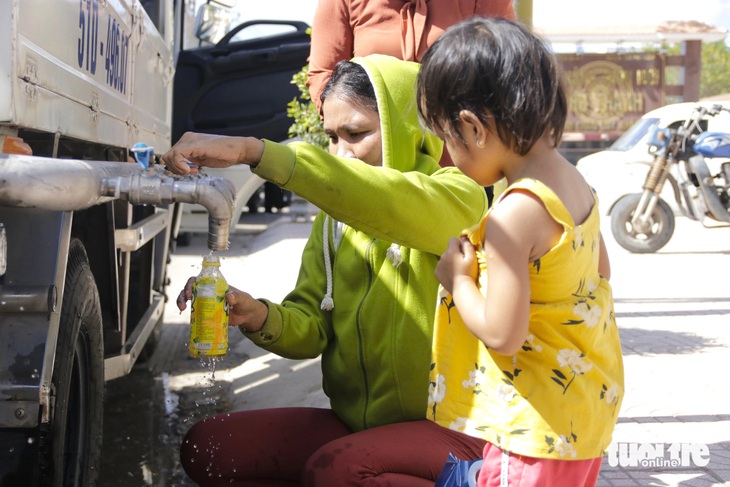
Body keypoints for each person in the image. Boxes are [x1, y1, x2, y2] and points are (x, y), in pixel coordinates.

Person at [163, 54, 488, 485]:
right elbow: (312, 328)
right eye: (332, 138)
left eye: (356, 134)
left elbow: (383, 199)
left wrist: (252, 151)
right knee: (210, 447)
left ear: (406, 130)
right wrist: (256, 314)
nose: (342, 153)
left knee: (339, 470)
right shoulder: (333, 224)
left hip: (454, 433)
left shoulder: (459, 198)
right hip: (360, 429)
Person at [416, 18, 625, 486]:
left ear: (472, 128)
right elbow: (600, 277)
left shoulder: (514, 214)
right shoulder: (576, 184)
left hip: (532, 428)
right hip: (582, 417)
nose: (449, 156)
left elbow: (501, 334)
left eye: (447, 139)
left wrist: (458, 280)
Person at [306, 0, 516, 113]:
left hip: (458, 162)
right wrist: (359, 126)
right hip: (373, 162)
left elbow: (504, 68)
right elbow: (323, 75)